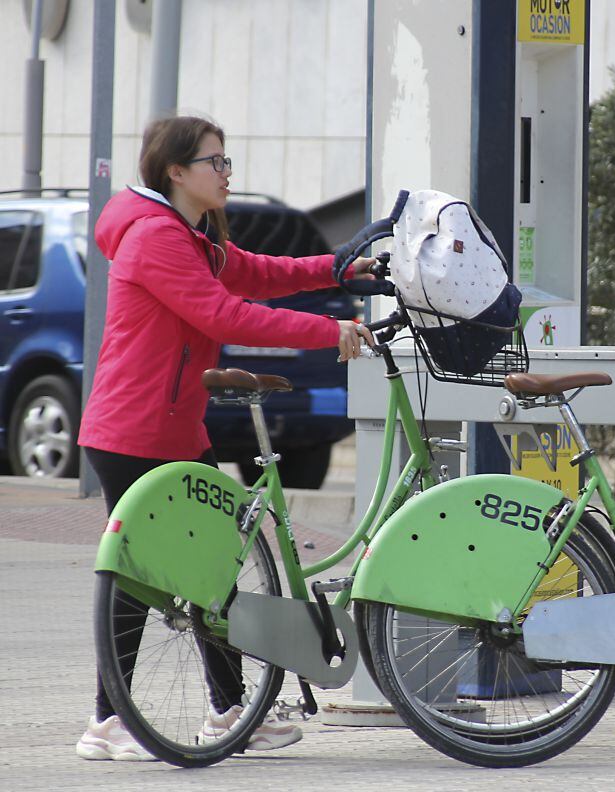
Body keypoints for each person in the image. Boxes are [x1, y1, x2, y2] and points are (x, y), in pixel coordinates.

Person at [75, 115, 374, 761]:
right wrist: (329, 332)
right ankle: (108, 721)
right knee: (142, 578)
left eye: (227, 160)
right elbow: (221, 313)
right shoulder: (155, 237)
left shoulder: (193, 235)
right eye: (216, 162)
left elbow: (258, 274)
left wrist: (341, 267)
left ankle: (229, 711)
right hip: (134, 429)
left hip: (176, 429)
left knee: (212, 569)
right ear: (176, 171)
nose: (227, 172)